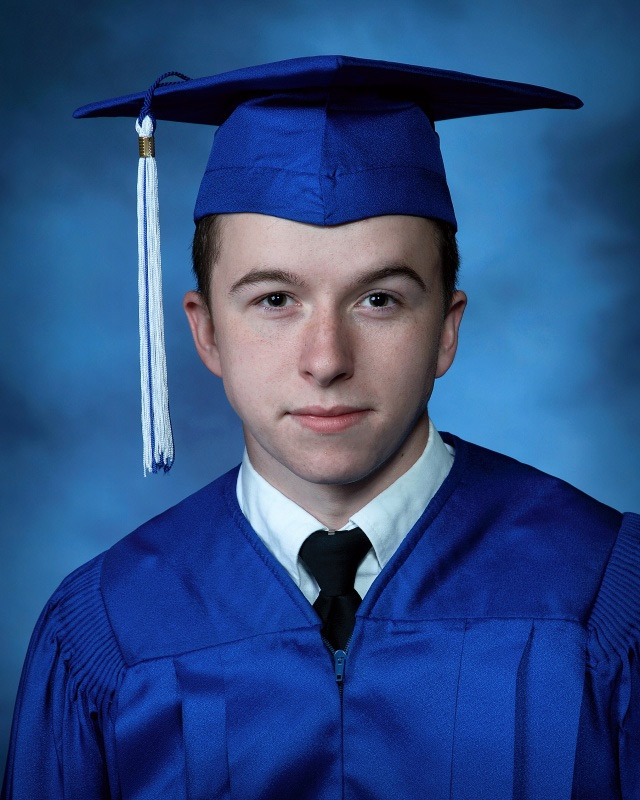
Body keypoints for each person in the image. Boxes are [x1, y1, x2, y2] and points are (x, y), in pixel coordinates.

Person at [2, 55, 638, 800]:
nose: (326, 359)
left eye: (379, 300)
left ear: (446, 330)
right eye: (275, 299)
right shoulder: (106, 630)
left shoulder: (598, 591)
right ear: (206, 334)